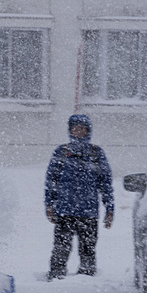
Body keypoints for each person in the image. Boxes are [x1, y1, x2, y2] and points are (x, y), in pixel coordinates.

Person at [44, 114, 114, 280]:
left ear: (88, 131)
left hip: (88, 212)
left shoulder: (96, 154)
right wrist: (49, 205)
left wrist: (109, 209)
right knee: (61, 247)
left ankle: (87, 277)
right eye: (75, 128)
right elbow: (51, 181)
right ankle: (56, 275)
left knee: (88, 248)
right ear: (70, 131)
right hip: (64, 210)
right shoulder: (61, 152)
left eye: (82, 128)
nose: (78, 131)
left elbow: (106, 183)